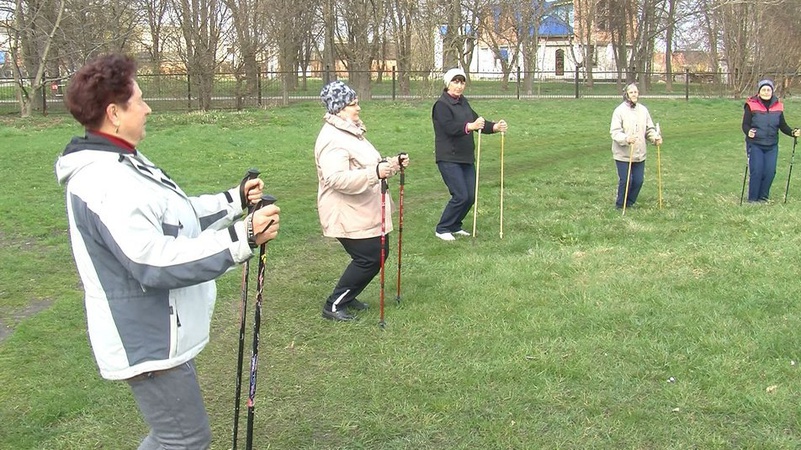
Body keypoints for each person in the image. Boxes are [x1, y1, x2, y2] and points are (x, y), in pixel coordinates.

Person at [54, 54, 280, 449]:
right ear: (114, 113)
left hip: (160, 330)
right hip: (146, 336)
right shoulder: (104, 180)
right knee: (184, 439)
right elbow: (152, 261)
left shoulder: (121, 160)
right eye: (139, 100)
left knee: (179, 437)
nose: (148, 108)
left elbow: (176, 217)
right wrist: (241, 238)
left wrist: (234, 201)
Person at [314, 80, 409, 322]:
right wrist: (375, 173)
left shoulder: (352, 132)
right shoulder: (333, 138)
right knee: (370, 257)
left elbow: (369, 165)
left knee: (376, 254)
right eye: (353, 104)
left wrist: (392, 164)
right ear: (339, 108)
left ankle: (348, 296)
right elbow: (335, 178)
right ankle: (334, 305)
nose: (358, 107)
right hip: (345, 210)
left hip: (361, 208)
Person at [432, 67, 508, 241]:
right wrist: (470, 127)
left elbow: (477, 121)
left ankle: (455, 225)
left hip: (465, 157)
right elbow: (449, 128)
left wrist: (495, 127)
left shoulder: (463, 103)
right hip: (448, 157)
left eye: (462, 82)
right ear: (448, 84)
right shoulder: (441, 105)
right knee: (460, 195)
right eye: (455, 82)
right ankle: (442, 228)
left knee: (470, 196)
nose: (459, 86)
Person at [742, 79, 801, 202]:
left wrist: (792, 132)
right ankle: (753, 199)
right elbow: (745, 124)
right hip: (755, 144)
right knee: (757, 171)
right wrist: (749, 132)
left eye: (768, 90)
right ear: (759, 92)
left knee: (770, 172)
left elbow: (782, 125)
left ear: (772, 91)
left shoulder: (778, 106)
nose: (766, 92)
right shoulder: (751, 105)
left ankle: (763, 198)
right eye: (763, 89)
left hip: (772, 145)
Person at [609, 82, 662, 209]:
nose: (634, 94)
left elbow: (649, 129)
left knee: (638, 181)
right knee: (626, 180)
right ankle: (620, 205)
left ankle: (630, 202)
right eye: (631, 92)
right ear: (626, 94)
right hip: (623, 154)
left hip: (639, 153)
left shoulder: (643, 110)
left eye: (636, 92)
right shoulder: (619, 111)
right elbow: (615, 132)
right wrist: (626, 138)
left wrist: (655, 138)